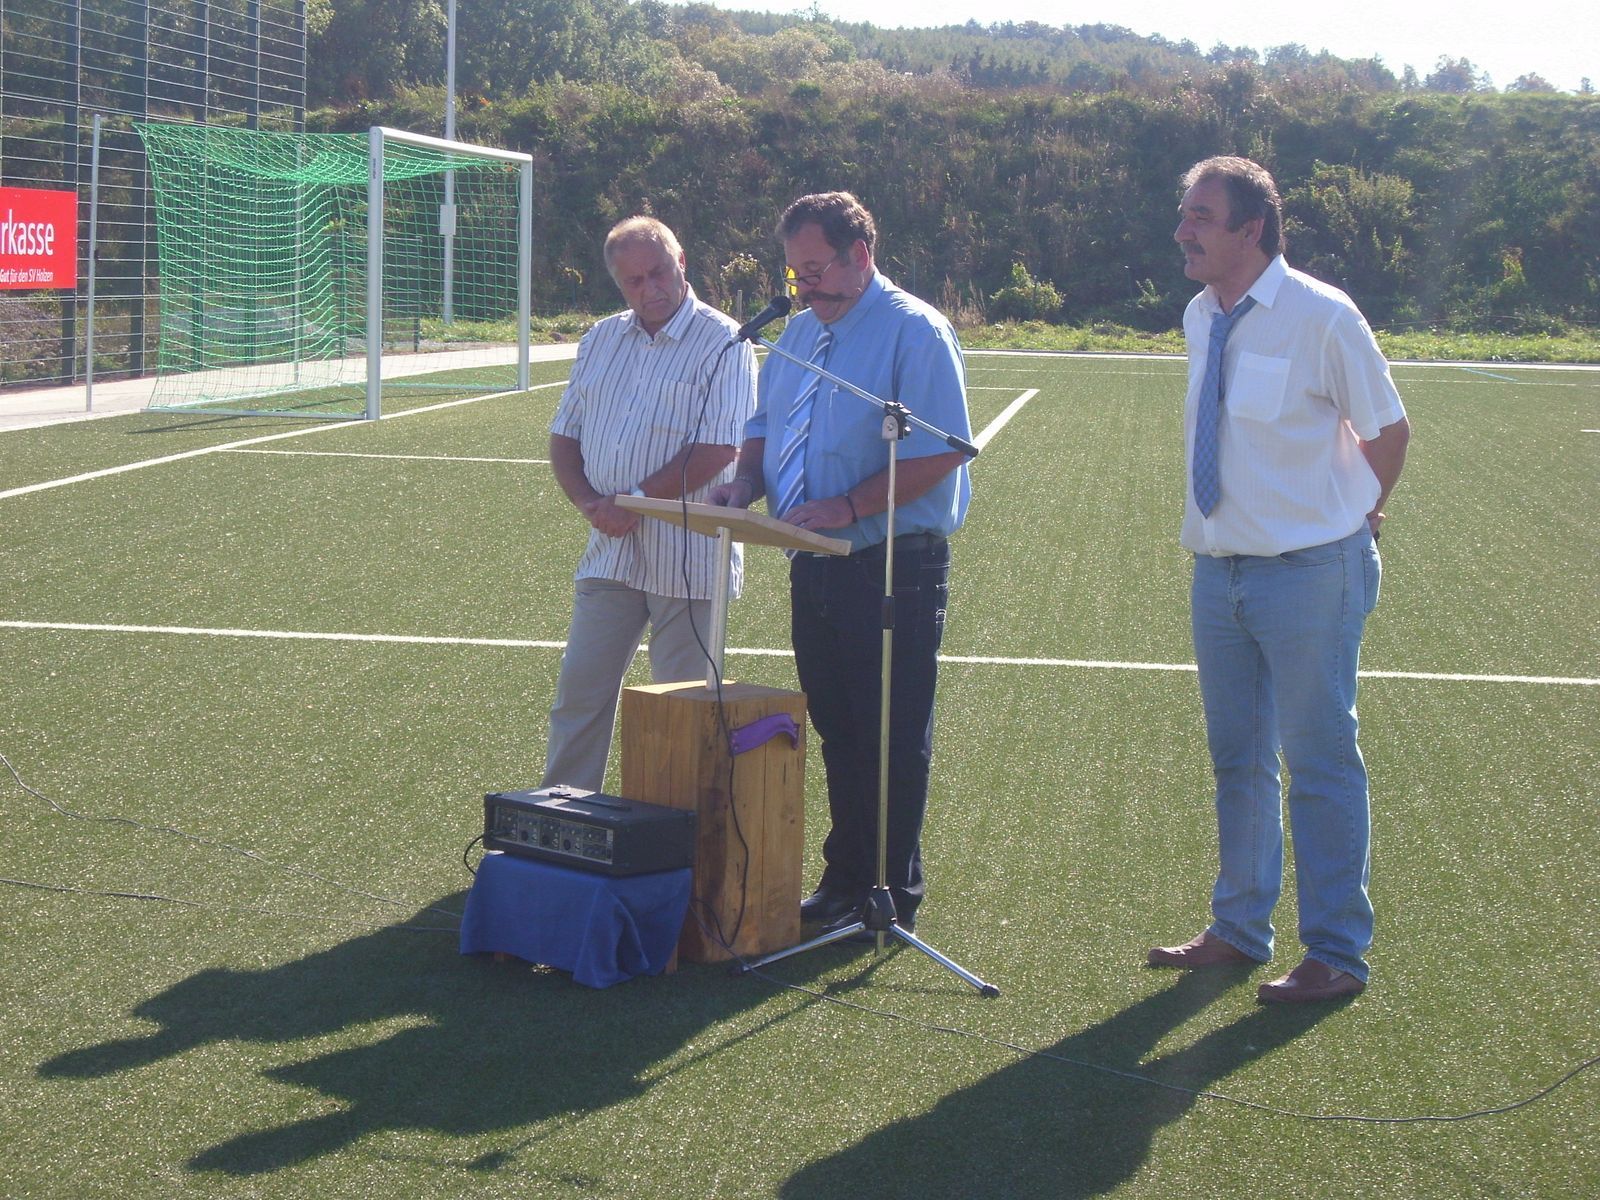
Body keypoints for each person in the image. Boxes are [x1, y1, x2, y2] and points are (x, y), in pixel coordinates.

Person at [1149, 156, 1411, 1003]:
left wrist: (1360, 514)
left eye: (1201, 217)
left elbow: (1388, 430)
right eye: (1185, 214)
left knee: (1321, 763)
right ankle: (1238, 928)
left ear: (1251, 229)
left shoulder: (1323, 315)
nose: (1183, 231)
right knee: (1239, 760)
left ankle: (1335, 951)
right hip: (1218, 572)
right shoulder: (1201, 314)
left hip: (1310, 574)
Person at [709, 191, 973, 937]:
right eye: (794, 273)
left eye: (816, 270)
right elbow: (764, 425)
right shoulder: (797, 332)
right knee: (838, 728)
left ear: (861, 254)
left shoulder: (915, 330)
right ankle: (847, 881)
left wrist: (850, 506)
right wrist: (745, 483)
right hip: (814, 561)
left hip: (891, 564)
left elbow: (944, 450)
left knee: (890, 735)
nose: (804, 287)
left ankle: (889, 894)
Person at [541, 216, 756, 793]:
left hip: (687, 555)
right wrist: (590, 504)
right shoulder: (600, 338)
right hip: (610, 549)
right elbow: (564, 436)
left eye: (658, 272)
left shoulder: (726, 341)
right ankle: (563, 816)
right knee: (579, 697)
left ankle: (679, 831)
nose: (650, 288)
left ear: (681, 262)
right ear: (618, 284)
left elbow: (719, 448)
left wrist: (634, 502)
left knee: (681, 711)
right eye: (633, 281)